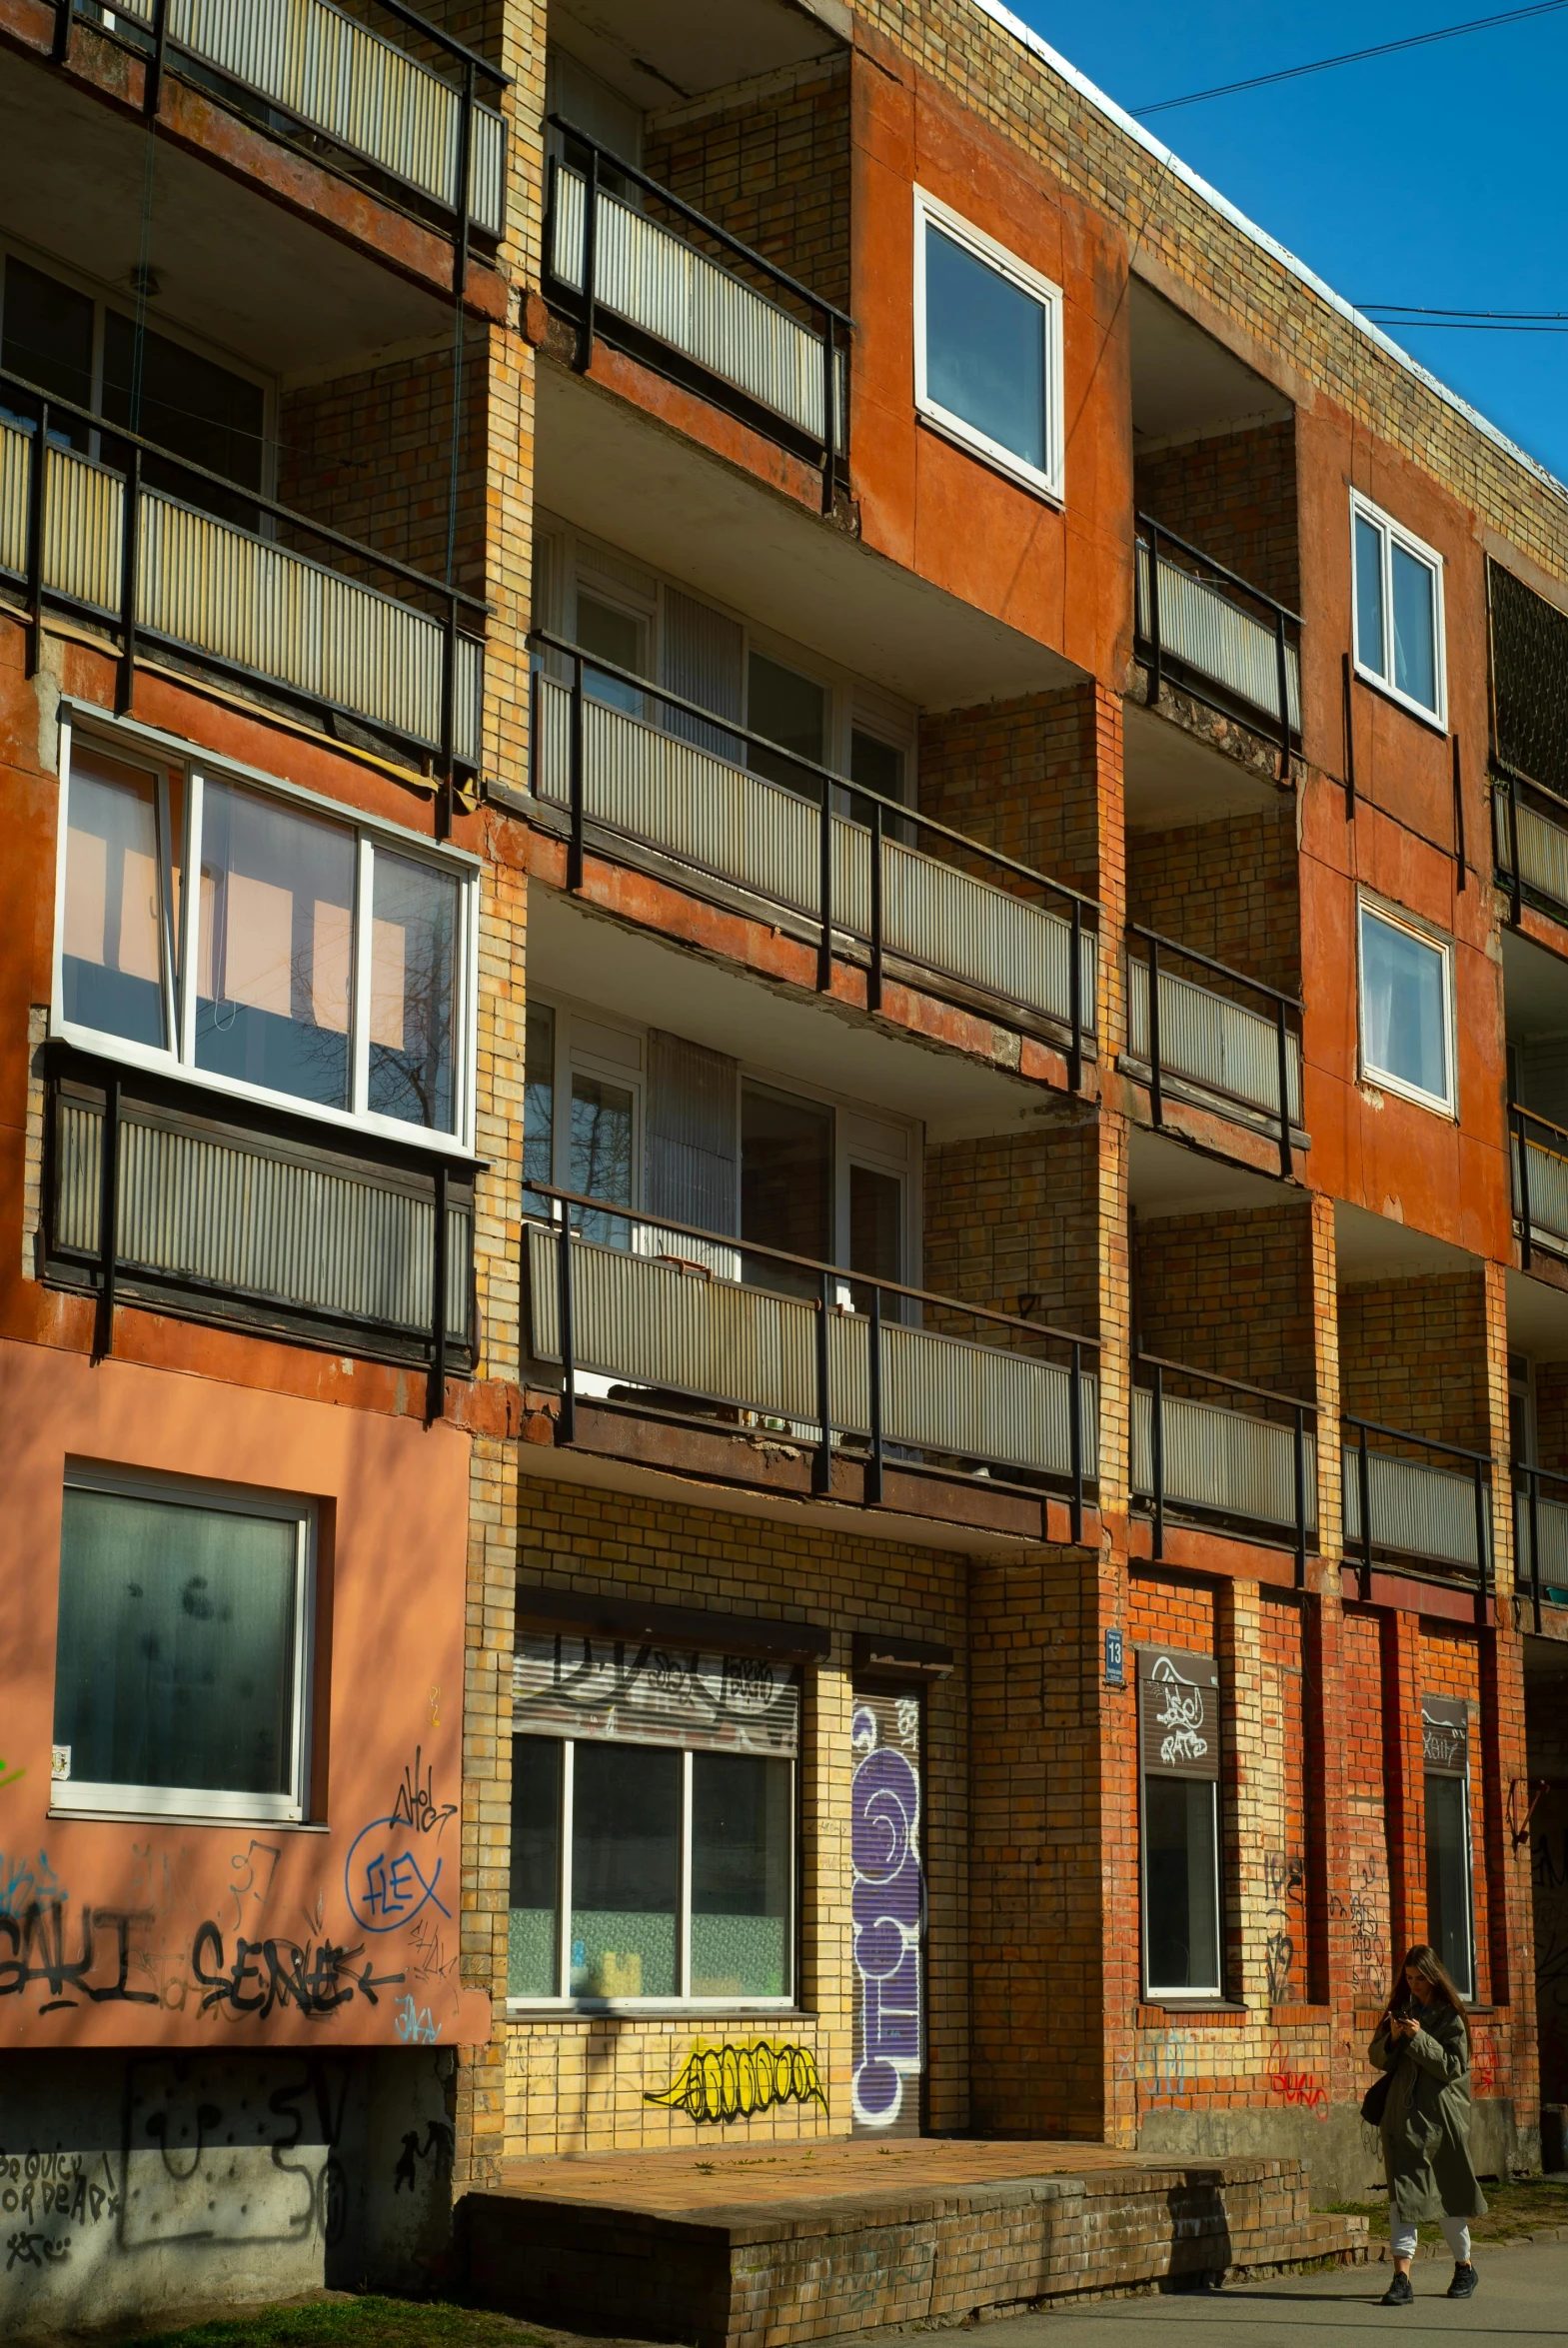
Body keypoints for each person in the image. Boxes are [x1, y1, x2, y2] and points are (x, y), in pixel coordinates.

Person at [1368, 1942, 1487, 2305]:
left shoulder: (1451, 2016)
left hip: (1442, 2122)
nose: (1415, 1985)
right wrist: (1393, 2037)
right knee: (1403, 2198)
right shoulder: (1400, 2009)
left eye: (1421, 1978)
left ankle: (1464, 2266)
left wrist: (1419, 2037)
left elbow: (1452, 2066)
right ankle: (1401, 2278)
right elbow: (1377, 2058)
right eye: (1409, 1978)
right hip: (1403, 2121)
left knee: (1448, 2197)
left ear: (1434, 1977)